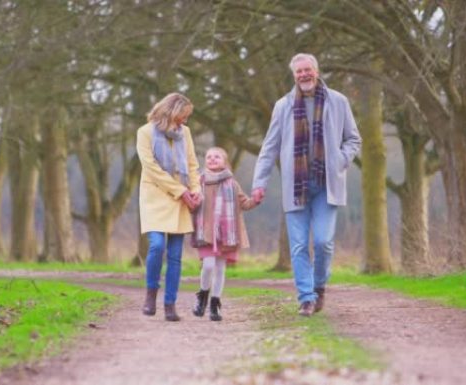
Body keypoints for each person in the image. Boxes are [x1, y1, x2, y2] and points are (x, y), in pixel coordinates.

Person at [251, 53, 362, 317]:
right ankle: (306, 298)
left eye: (307, 70)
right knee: (299, 245)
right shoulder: (283, 105)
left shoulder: (338, 101)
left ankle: (319, 286)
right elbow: (269, 147)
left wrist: (339, 160)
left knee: (323, 241)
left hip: (327, 184)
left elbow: (353, 140)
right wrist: (259, 183)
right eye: (299, 71)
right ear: (294, 75)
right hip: (296, 186)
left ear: (316, 70)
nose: (304, 75)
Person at [137, 93, 202, 322]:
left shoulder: (185, 133)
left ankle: (170, 304)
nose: (185, 121)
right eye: (183, 116)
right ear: (171, 112)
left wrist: (195, 190)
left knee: (175, 255)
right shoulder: (145, 133)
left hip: (181, 199)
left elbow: (192, 164)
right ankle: (150, 293)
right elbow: (151, 169)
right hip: (155, 195)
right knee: (156, 246)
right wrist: (180, 191)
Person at [191, 147, 258, 321]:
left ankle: (215, 304)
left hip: (227, 233)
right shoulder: (198, 181)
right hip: (205, 232)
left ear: (225, 161)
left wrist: (256, 199)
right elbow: (192, 202)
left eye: (217, 156)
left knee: (220, 268)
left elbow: (244, 203)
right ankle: (202, 296)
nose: (212, 159)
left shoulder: (232, 184)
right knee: (208, 265)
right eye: (209, 156)